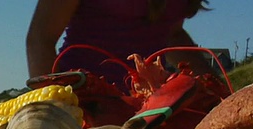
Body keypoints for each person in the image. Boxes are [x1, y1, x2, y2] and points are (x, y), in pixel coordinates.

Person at [26, 0, 216, 90]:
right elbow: (40, 38)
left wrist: (218, 93)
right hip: (83, 101)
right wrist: (53, 107)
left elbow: (172, 34)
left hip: (151, 108)